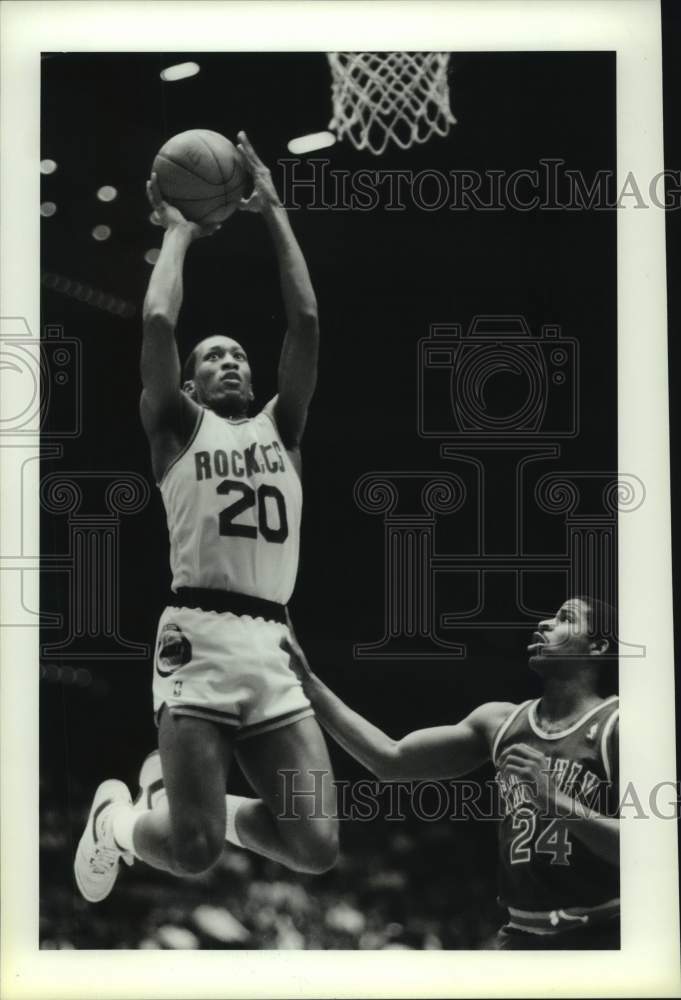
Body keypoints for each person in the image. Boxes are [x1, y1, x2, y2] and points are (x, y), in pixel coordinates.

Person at [74, 131, 338, 903]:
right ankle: (118, 821)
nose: (230, 362)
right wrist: (179, 231)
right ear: (189, 383)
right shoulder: (177, 429)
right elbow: (159, 323)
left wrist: (272, 208)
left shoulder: (282, 430)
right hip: (198, 635)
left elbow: (306, 321)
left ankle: (185, 797)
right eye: (213, 356)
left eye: (239, 357)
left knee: (315, 846)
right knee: (192, 852)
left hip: (274, 643)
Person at [283, 595, 620, 949]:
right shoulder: (500, 722)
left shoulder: (617, 724)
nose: (545, 623)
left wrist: (553, 798)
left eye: (566, 618)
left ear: (597, 646)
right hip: (521, 935)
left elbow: (644, 850)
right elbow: (389, 759)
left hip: (602, 933)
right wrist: (308, 684)